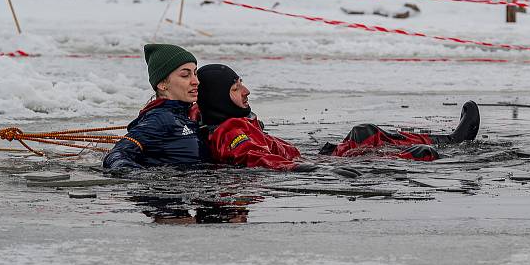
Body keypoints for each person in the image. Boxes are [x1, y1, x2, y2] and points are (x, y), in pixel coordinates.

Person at [196, 63, 480, 175]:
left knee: (364, 133)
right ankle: (431, 151)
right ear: (219, 99)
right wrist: (313, 170)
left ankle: (451, 140)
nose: (246, 91)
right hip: (313, 164)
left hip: (312, 157)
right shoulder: (231, 130)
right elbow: (256, 158)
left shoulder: (226, 119)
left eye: (242, 83)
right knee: (395, 147)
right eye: (236, 88)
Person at [103, 44, 205, 170]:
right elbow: (117, 154)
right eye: (185, 75)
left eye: (195, 74)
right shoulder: (160, 118)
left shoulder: (188, 116)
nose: (195, 81)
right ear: (162, 84)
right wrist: (141, 177)